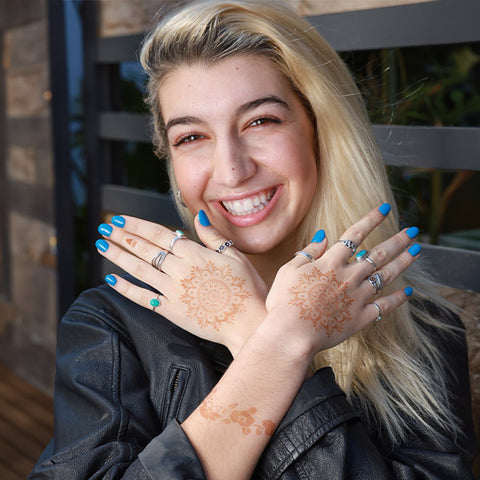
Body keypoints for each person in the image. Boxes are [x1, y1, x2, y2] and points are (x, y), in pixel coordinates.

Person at [30, 0, 476, 478]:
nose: (232, 169)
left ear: (319, 130)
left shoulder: (427, 334)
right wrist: (276, 345)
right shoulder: (110, 327)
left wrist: (264, 337)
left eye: (260, 121)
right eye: (191, 137)